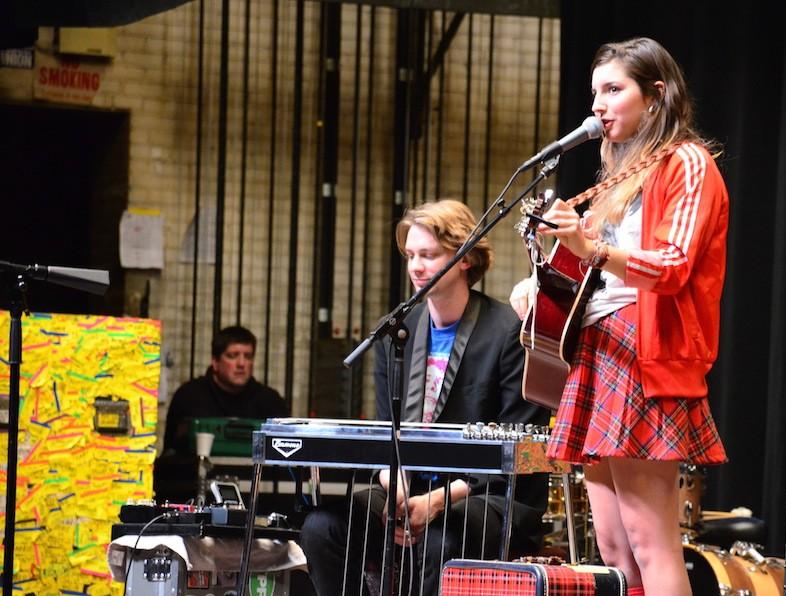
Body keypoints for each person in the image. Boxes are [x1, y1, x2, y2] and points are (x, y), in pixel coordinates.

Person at [509, 37, 728, 596]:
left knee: (649, 538)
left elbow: (673, 266)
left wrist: (591, 250)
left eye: (613, 89)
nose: (598, 106)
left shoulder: (687, 162)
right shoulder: (618, 179)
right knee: (610, 544)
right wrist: (537, 282)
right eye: (594, 93)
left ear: (656, 95)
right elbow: (591, 272)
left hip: (645, 349)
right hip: (599, 346)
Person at [301, 199, 550, 596]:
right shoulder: (396, 332)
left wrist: (435, 501)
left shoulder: (509, 332)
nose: (416, 266)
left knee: (441, 541)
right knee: (321, 528)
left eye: (429, 255)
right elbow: (390, 435)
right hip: (410, 489)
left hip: (489, 496)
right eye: (410, 255)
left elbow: (519, 449)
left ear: (466, 259)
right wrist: (395, 485)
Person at [162, 325, 289, 454]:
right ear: (215, 362)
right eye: (232, 356)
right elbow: (170, 455)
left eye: (248, 356)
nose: (241, 364)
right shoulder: (189, 396)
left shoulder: (270, 401)